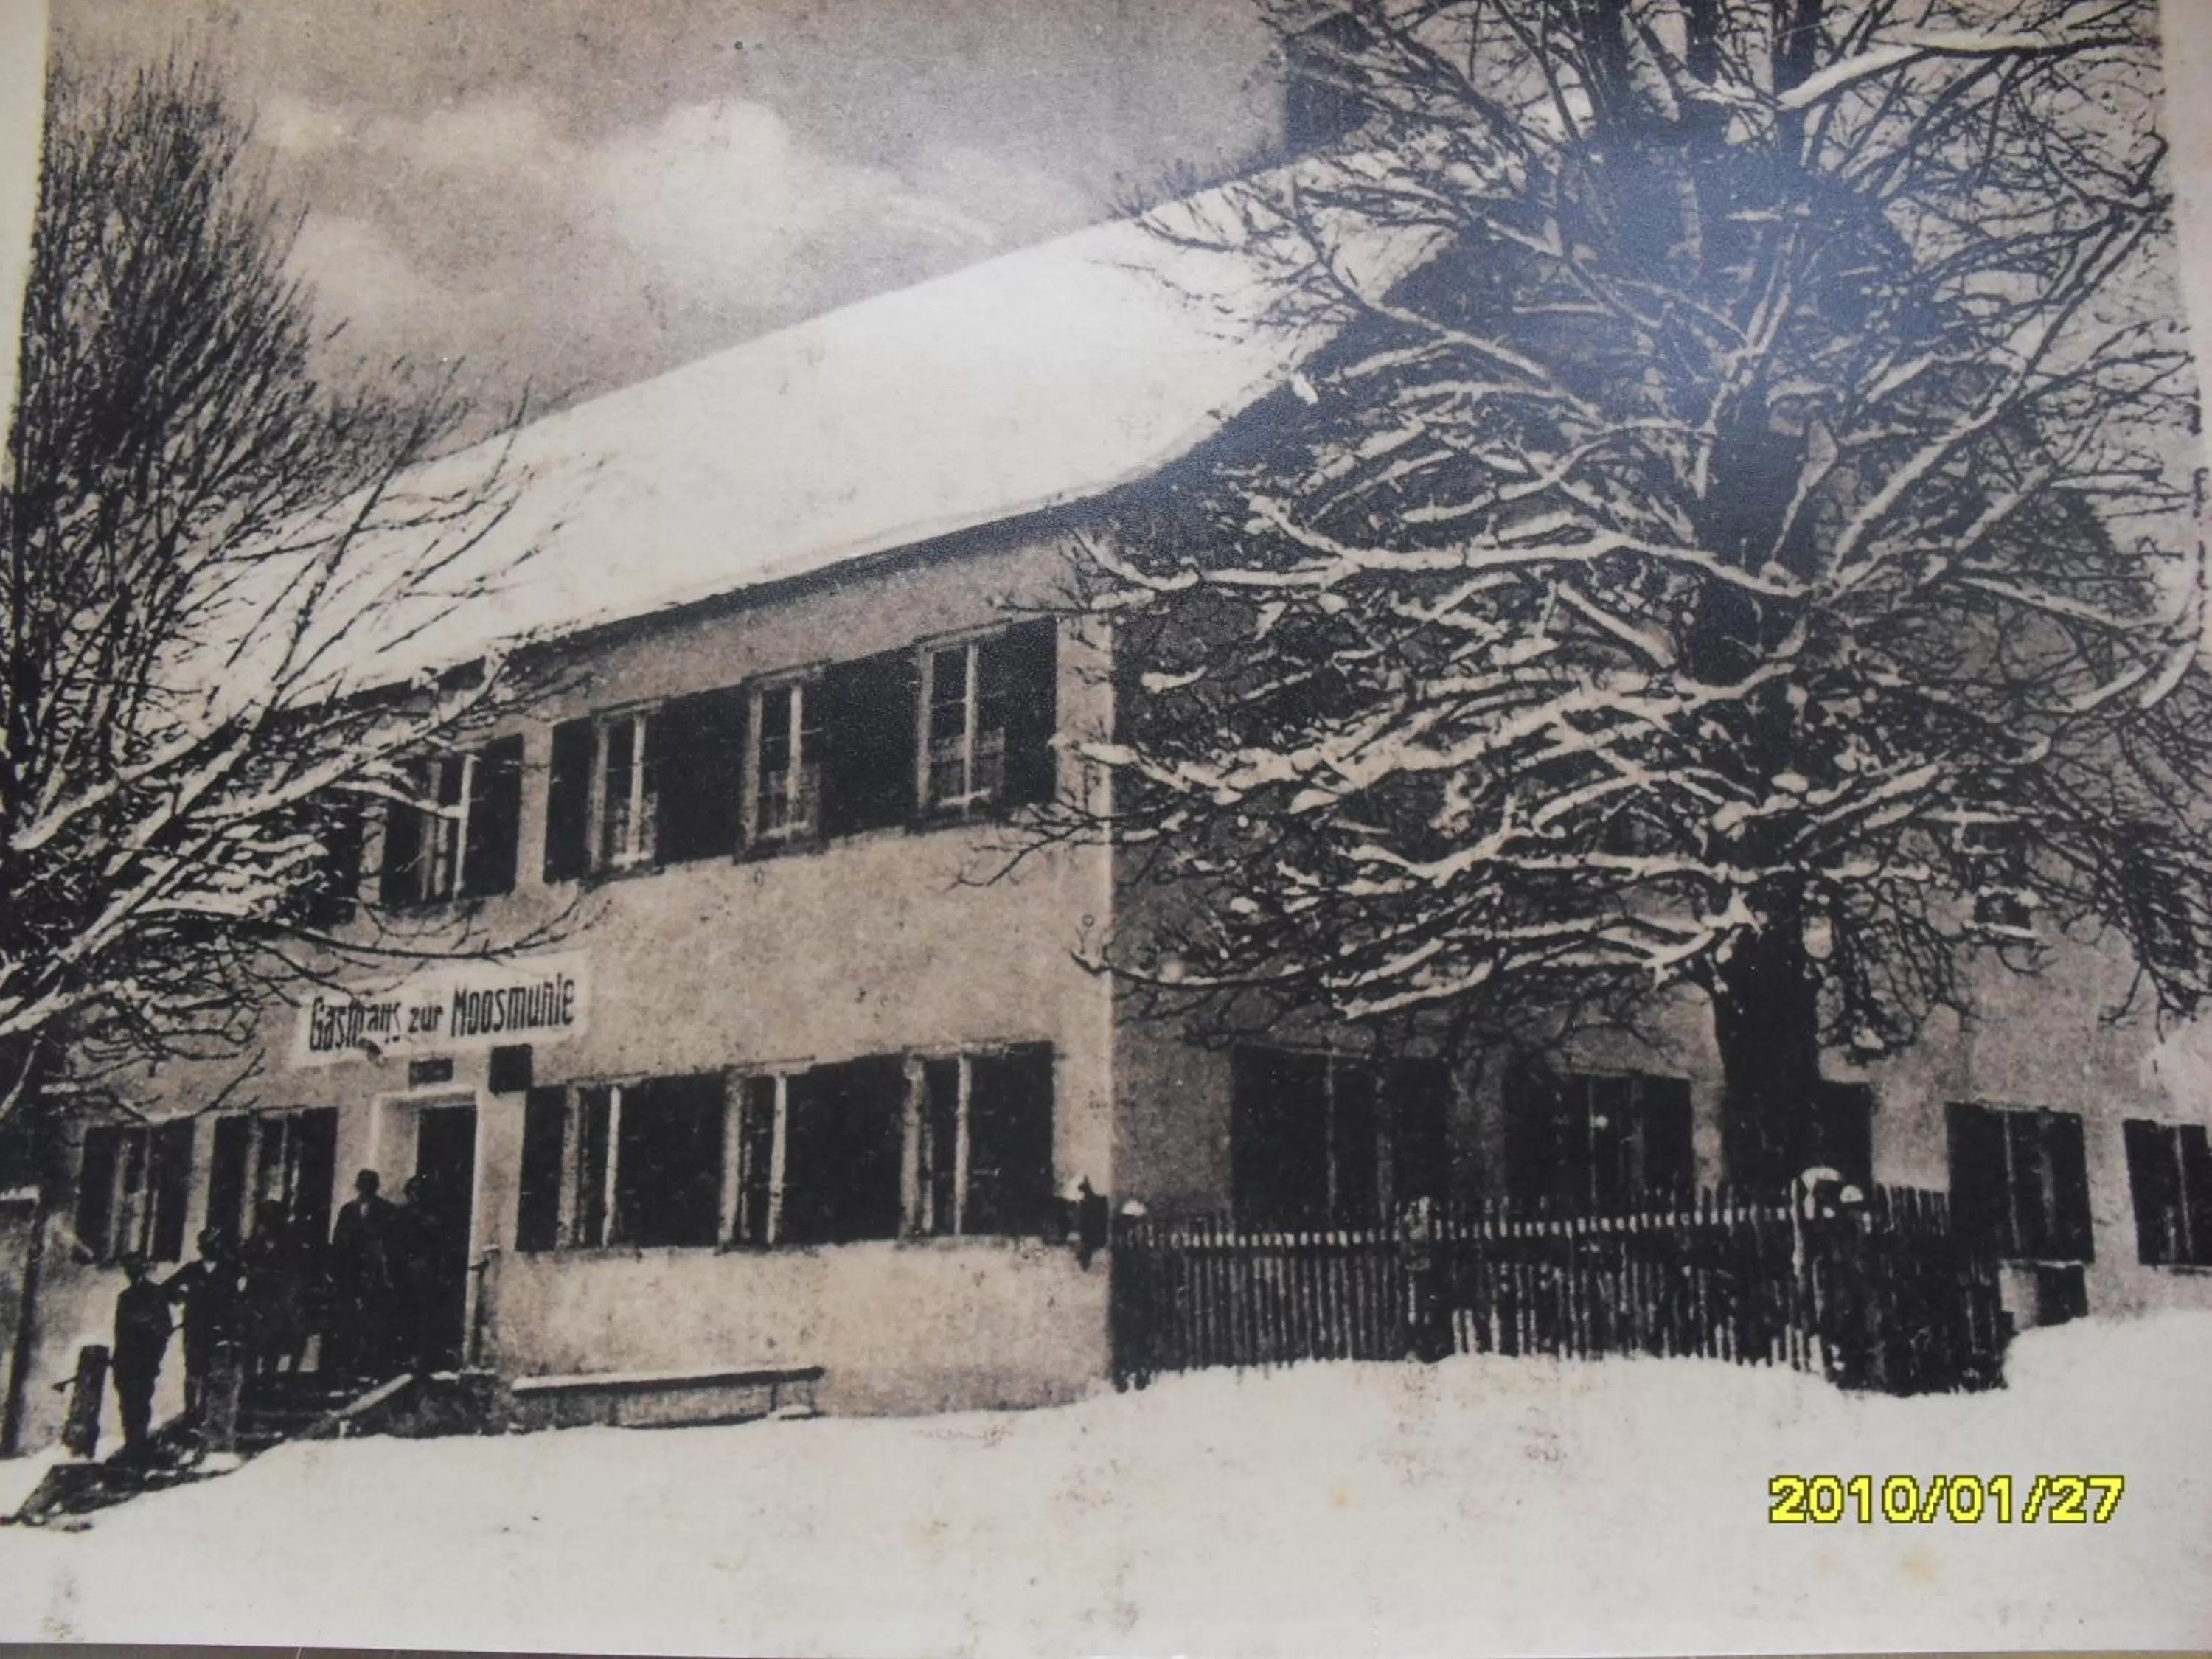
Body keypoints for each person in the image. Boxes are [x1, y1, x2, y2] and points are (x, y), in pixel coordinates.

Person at [164, 1228, 245, 1422]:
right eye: (206, 1246)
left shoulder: (231, 1270)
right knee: (193, 1370)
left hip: (221, 1330)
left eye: (214, 1245)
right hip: (195, 1328)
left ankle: (209, 1413)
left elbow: (241, 1298)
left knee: (215, 1371)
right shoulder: (191, 1270)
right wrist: (179, 1296)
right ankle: (191, 1412)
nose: (210, 1250)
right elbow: (166, 1290)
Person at [329, 1169, 400, 1382]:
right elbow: (339, 1240)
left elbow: (392, 1242)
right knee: (350, 1320)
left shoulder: (386, 1210)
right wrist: (337, 1271)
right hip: (351, 1272)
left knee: (375, 1320)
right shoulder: (348, 1210)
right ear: (357, 1185)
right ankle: (350, 1366)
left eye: (371, 1183)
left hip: (376, 1271)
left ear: (376, 1186)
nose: (366, 1187)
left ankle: (373, 1366)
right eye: (363, 1183)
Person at [110, 1256, 173, 1462]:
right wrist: (117, 1359)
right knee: (127, 1404)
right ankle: (132, 1443)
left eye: (136, 1268)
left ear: (143, 1270)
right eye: (129, 1269)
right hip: (125, 1360)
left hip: (145, 1359)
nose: (132, 1273)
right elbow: (119, 1332)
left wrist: (155, 1357)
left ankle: (139, 1444)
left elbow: (164, 1329)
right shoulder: (125, 1297)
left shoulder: (156, 1294)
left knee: (141, 1402)